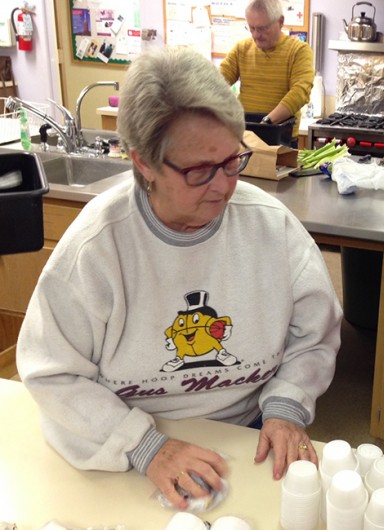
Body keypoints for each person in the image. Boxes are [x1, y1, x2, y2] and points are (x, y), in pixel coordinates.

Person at [16, 46, 342, 510]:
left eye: (233, 160)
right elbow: (51, 372)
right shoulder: (98, 247)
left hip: (247, 430)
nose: (225, 185)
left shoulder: (271, 226)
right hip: (125, 441)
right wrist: (144, 446)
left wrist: (287, 403)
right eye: (200, 171)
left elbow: (315, 333)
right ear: (143, 163)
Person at [219, 0, 314, 146]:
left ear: (280, 22)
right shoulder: (241, 49)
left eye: (263, 29)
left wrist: (267, 122)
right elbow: (216, 81)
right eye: (251, 28)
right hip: (245, 139)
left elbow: (300, 92)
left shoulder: (299, 51)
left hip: (280, 140)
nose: (256, 35)